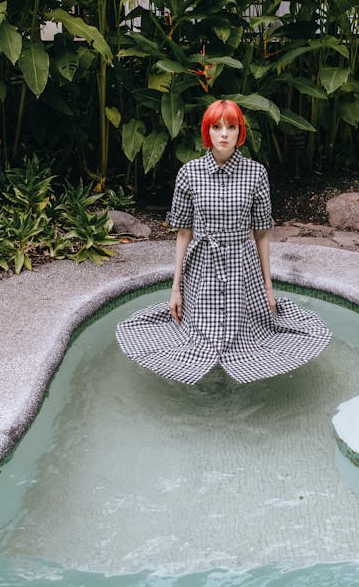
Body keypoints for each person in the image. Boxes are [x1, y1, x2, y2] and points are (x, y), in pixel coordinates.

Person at [116, 99, 331, 384]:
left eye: (231, 127)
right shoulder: (189, 173)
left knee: (244, 339)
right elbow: (183, 233)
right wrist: (175, 289)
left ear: (240, 131)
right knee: (199, 339)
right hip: (202, 267)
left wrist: (269, 288)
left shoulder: (256, 173)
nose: (224, 134)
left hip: (242, 268)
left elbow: (263, 232)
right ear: (208, 131)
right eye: (216, 127)